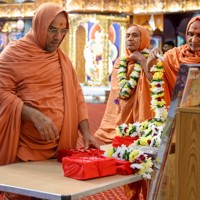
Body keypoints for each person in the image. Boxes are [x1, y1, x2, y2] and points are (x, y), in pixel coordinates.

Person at [0, 2, 99, 199]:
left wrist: (86, 132)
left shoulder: (62, 59)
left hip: (59, 148)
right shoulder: (14, 54)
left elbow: (76, 94)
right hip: (26, 149)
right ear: (39, 26)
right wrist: (33, 115)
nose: (58, 37)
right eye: (52, 30)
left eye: (63, 31)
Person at [94, 24, 172, 200]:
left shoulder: (153, 59)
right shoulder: (120, 63)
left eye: (135, 35)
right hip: (126, 123)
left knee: (149, 165)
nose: (130, 38)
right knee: (130, 165)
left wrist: (143, 62)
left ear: (143, 39)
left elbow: (157, 83)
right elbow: (119, 93)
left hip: (146, 122)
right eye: (128, 35)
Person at [148, 15, 200, 200]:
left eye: (199, 35)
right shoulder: (173, 56)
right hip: (178, 124)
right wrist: (152, 63)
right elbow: (157, 82)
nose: (194, 40)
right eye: (191, 34)